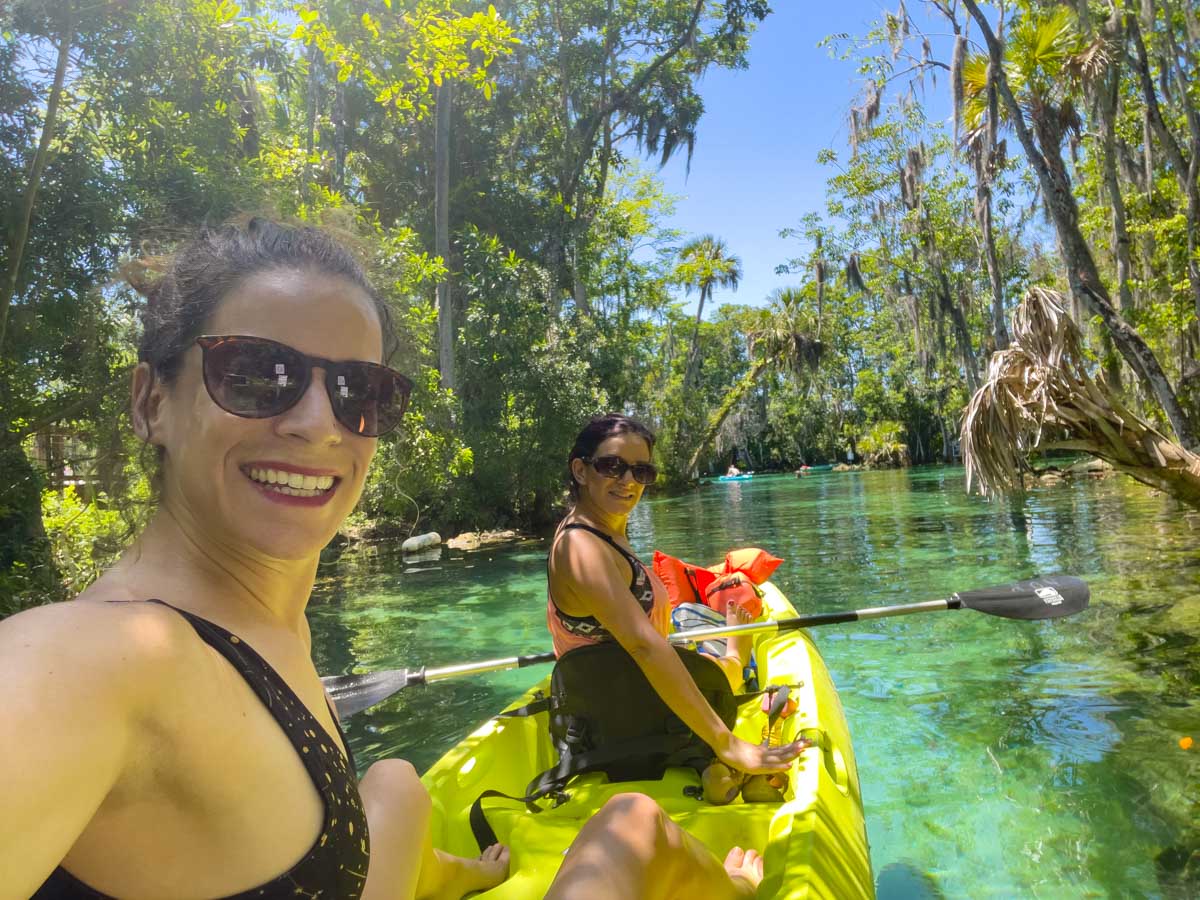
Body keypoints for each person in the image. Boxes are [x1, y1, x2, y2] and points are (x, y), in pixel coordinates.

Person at [0, 219, 509, 899]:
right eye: (256, 375)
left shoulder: (275, 629)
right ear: (153, 402)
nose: (318, 423)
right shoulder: (103, 660)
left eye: (360, 391)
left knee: (396, 785)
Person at [543, 413, 806, 896]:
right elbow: (644, 646)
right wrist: (727, 740)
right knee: (727, 653)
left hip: (604, 717)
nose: (628, 481)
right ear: (580, 470)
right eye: (613, 467)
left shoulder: (593, 534)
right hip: (645, 711)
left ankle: (706, 745)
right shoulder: (582, 547)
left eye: (642, 472)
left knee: (684, 637)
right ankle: (732, 654)